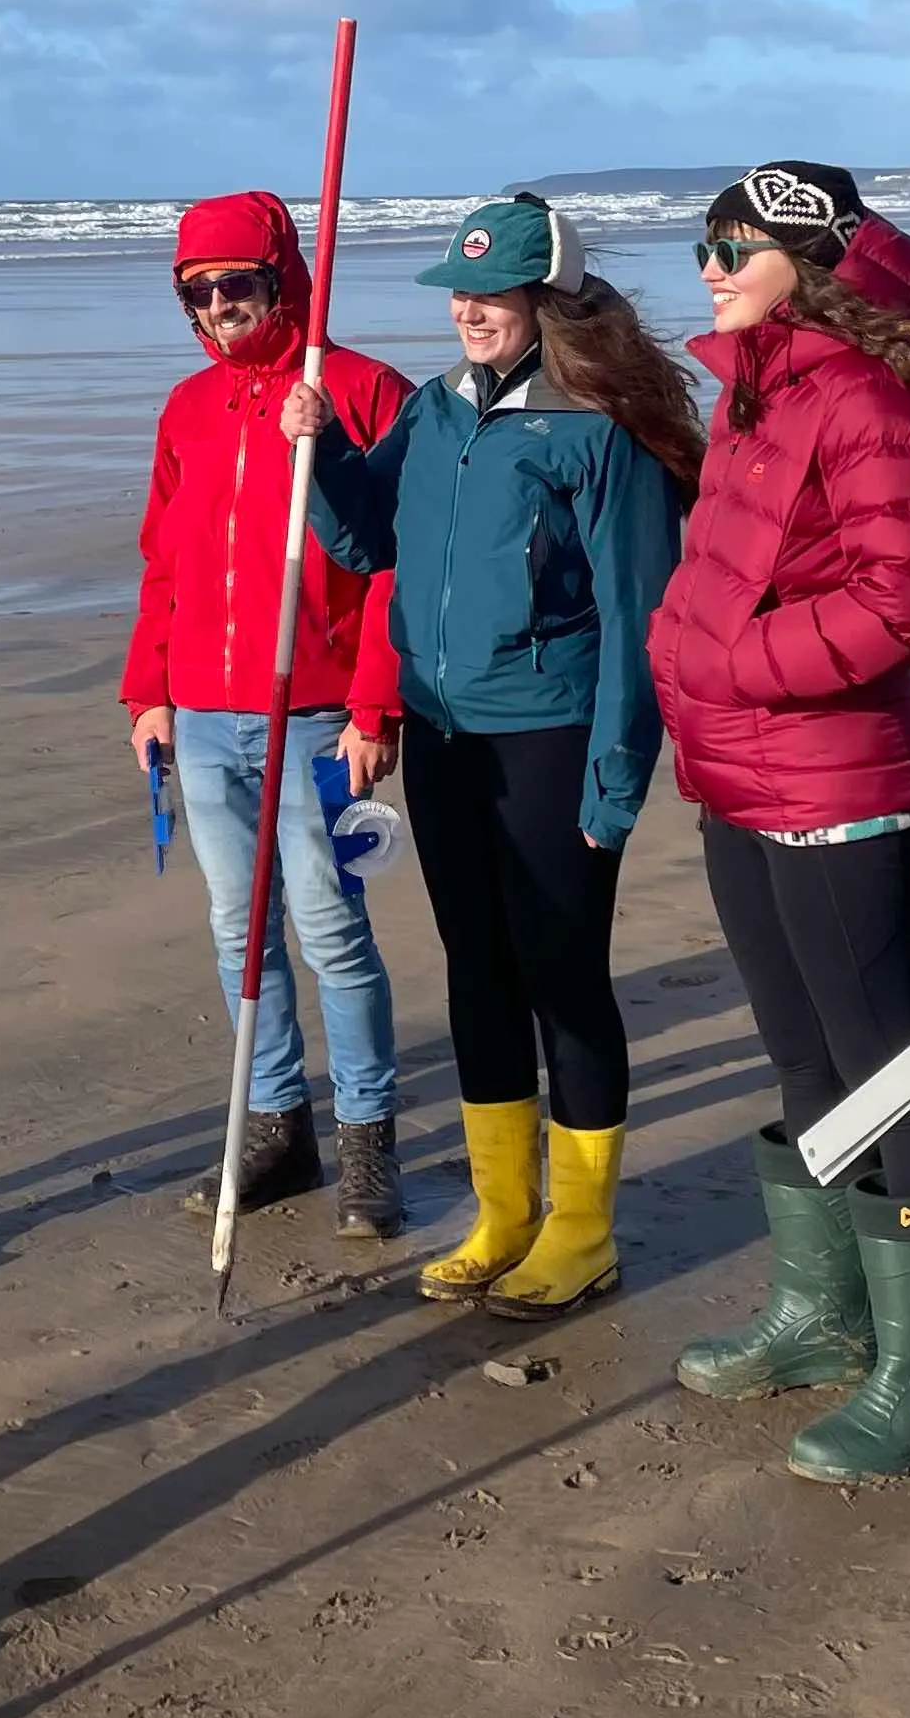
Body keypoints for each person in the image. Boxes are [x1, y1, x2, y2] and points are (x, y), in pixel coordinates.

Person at [284, 193, 696, 1317]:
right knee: (477, 975)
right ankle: (504, 1210)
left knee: (561, 977)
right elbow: (371, 539)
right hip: (447, 740)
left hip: (553, 738)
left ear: (545, 301)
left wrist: (617, 779)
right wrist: (317, 457)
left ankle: (582, 1226)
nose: (468, 310)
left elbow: (636, 615)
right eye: (458, 292)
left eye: (492, 293)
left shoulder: (595, 430)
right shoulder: (434, 411)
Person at [649, 163, 910, 1483]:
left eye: (740, 245)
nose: (715, 267)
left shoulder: (863, 392)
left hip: (842, 785)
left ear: (819, 261)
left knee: (883, 1055)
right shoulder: (754, 389)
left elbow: (906, 601)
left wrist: (731, 662)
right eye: (706, 244)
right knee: (801, 1056)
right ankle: (823, 1313)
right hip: (738, 777)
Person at [125, 190, 413, 1234]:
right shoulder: (188, 408)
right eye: (195, 294)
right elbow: (164, 561)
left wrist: (376, 707)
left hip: (320, 713)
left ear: (282, 276)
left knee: (332, 927)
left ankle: (369, 1138)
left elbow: (393, 567)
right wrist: (147, 690)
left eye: (235, 286)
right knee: (235, 933)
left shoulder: (365, 391)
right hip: (203, 714)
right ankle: (278, 1122)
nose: (216, 310)